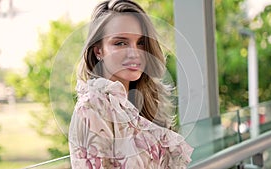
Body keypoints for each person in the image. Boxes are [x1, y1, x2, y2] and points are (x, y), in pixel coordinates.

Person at [68, 0, 193, 168]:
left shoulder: (143, 102)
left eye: (141, 43)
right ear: (99, 51)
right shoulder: (92, 106)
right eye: (120, 43)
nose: (135, 54)